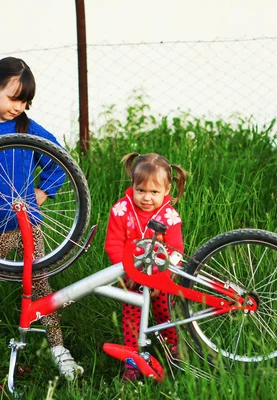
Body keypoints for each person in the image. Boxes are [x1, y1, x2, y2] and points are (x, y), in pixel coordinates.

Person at [0, 57, 83, 390]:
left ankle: (58, 348)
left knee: (42, 284)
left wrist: (43, 191)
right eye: (14, 98)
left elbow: (60, 160)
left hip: (30, 226)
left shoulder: (26, 129)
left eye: (25, 100)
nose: (19, 106)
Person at [104, 152, 188, 381]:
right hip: (131, 278)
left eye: (154, 192)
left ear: (167, 190)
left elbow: (175, 252)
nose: (147, 198)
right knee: (131, 319)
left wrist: (161, 278)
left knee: (165, 314)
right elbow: (113, 244)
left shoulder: (169, 217)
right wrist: (128, 271)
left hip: (160, 279)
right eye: (141, 190)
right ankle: (132, 361)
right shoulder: (121, 210)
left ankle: (173, 348)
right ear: (132, 185)